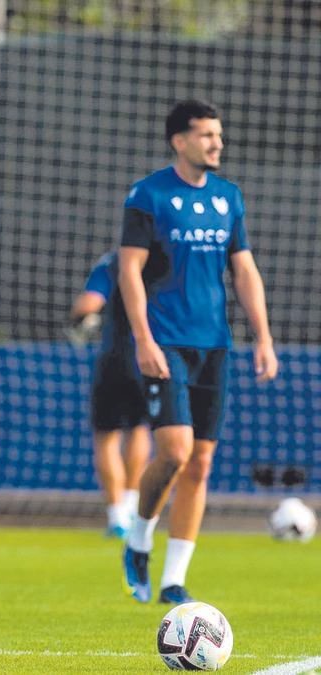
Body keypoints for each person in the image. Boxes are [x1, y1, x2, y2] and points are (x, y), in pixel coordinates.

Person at [118, 100, 277, 605]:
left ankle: (173, 582)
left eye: (219, 135)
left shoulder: (229, 197)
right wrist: (143, 339)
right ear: (180, 141)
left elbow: (245, 271)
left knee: (201, 464)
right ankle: (139, 538)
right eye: (207, 135)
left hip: (215, 345)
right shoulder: (149, 194)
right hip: (165, 342)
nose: (217, 144)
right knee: (176, 452)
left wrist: (264, 337)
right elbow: (129, 272)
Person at [70, 252, 151, 537]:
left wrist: (79, 317)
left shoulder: (112, 262)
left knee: (107, 437)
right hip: (152, 358)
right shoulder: (163, 260)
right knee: (139, 430)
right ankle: (132, 506)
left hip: (116, 358)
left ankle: (117, 517)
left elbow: (90, 303)